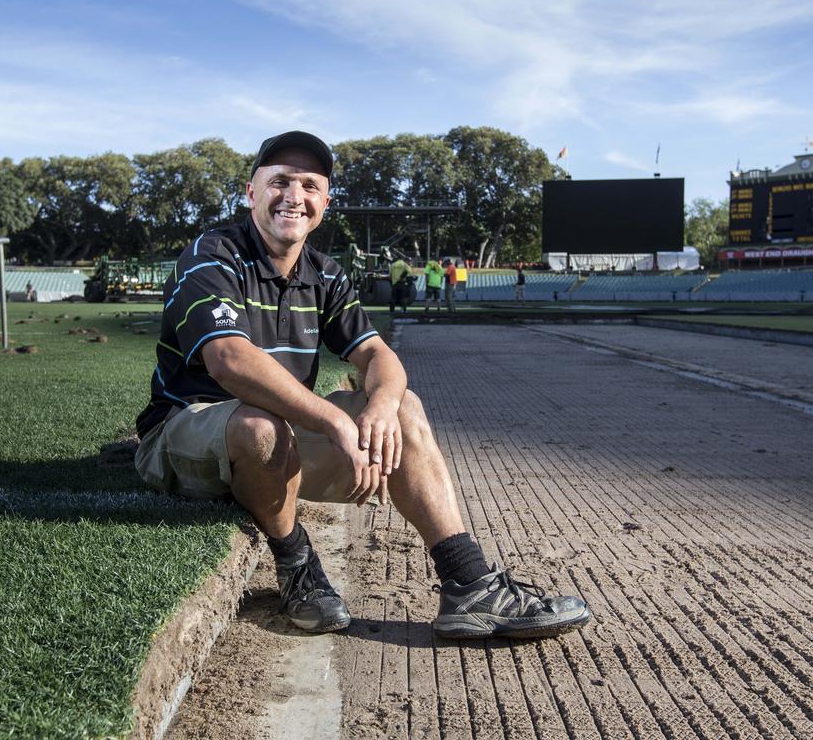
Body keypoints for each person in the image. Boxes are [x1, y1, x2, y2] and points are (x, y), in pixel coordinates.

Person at [134, 131, 590, 639]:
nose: (294, 196)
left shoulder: (324, 274)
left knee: (402, 407)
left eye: (309, 185)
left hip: (275, 443)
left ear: (324, 202)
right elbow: (228, 360)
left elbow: (378, 355)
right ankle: (297, 565)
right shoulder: (213, 254)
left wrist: (380, 407)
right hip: (185, 431)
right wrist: (333, 418)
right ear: (251, 192)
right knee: (260, 425)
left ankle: (468, 582)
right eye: (279, 182)